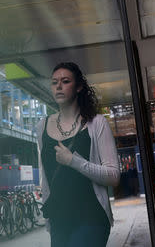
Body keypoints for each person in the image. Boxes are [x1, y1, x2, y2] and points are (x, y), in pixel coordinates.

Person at [37, 62, 119, 247]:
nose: (58, 86)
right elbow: (46, 177)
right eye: (54, 82)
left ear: (79, 87)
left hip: (91, 217)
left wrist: (73, 161)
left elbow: (113, 176)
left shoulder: (97, 123)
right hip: (59, 219)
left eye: (65, 81)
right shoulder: (41, 126)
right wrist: (49, 219)